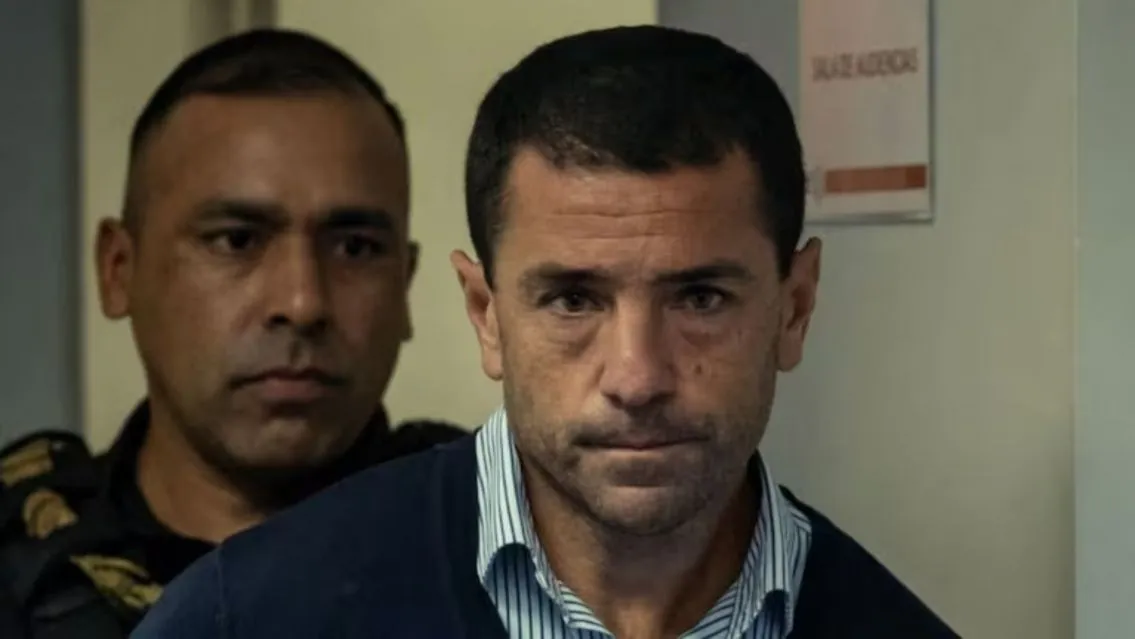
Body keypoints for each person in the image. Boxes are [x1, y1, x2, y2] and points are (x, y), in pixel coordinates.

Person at [131, 25, 957, 639]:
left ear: (794, 306)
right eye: (571, 300)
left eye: (700, 297)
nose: (636, 377)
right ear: (485, 314)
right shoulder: (244, 617)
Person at [0, 29, 467, 638]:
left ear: (404, 284)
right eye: (237, 240)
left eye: (355, 248)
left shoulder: (503, 549)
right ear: (119, 271)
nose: (302, 303)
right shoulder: (23, 561)